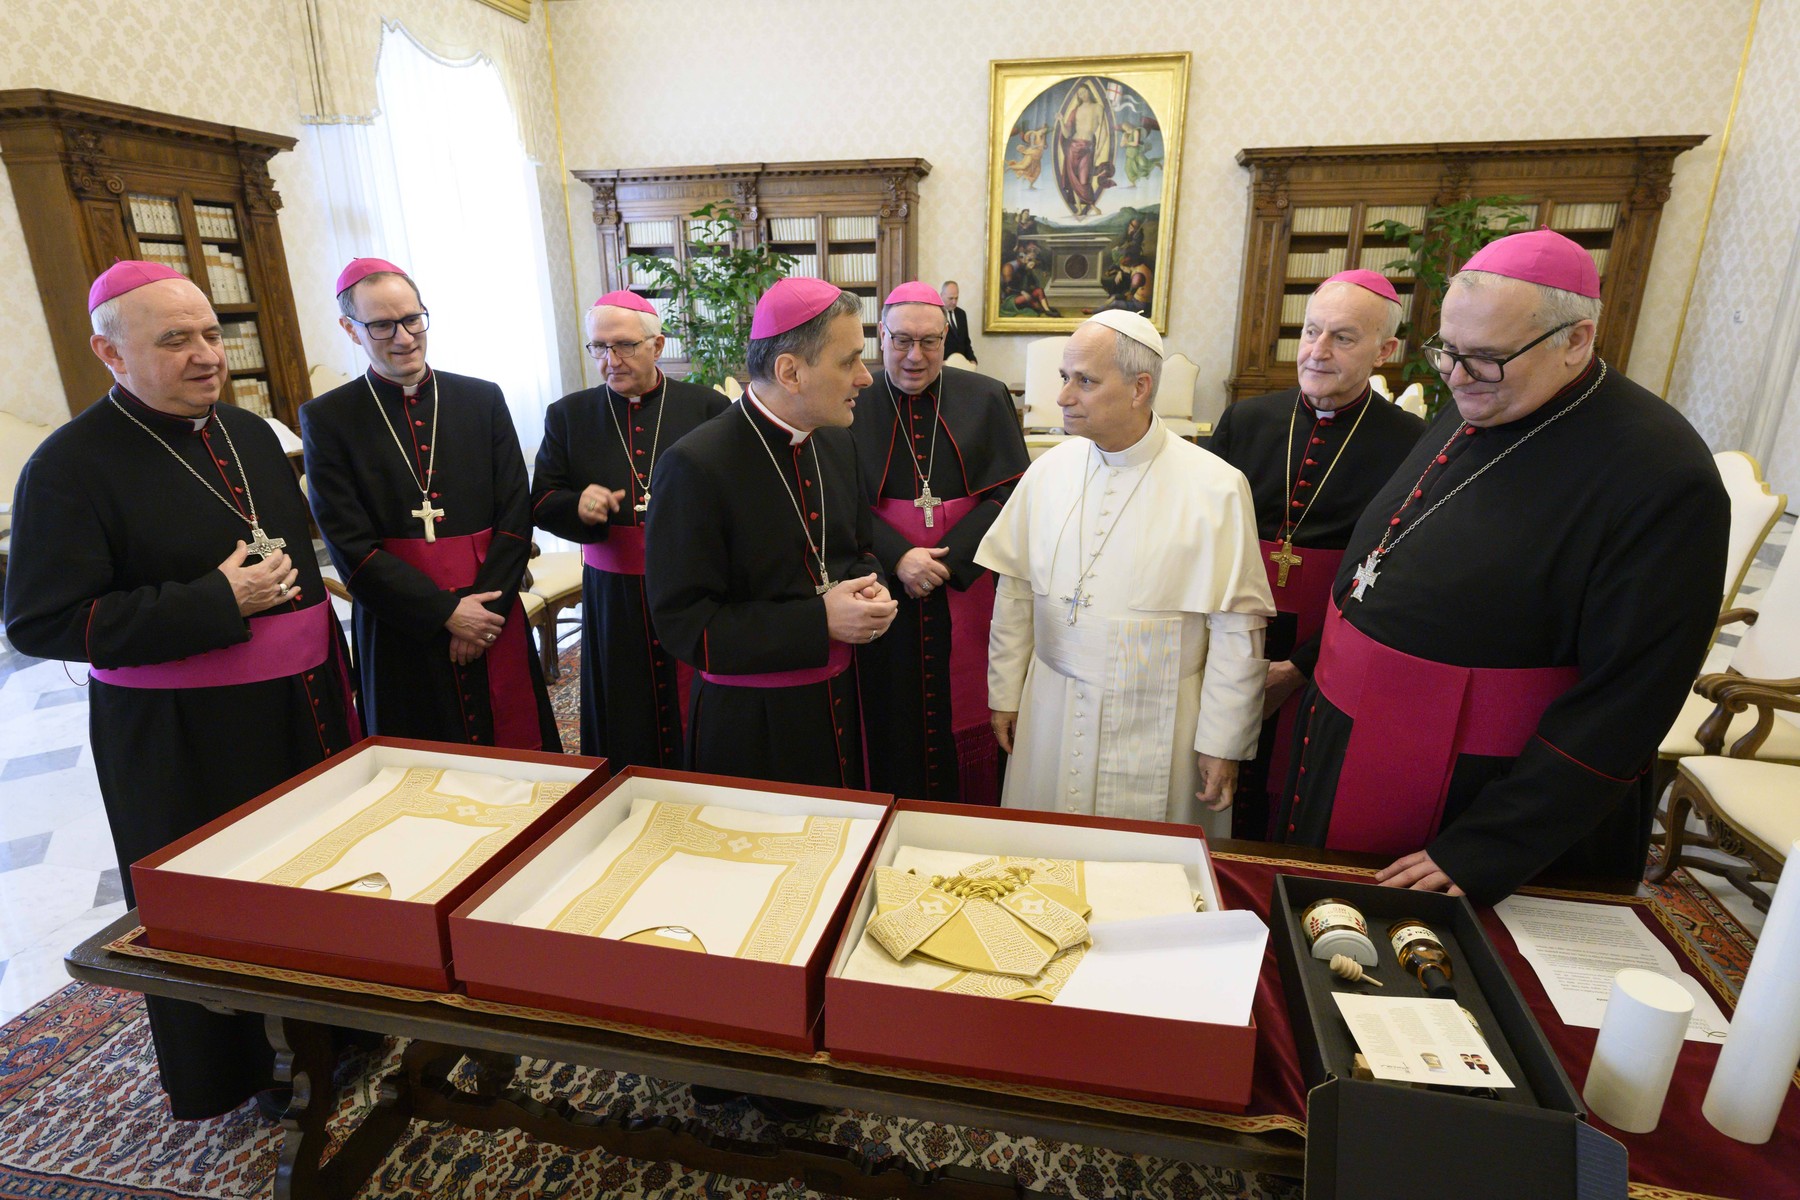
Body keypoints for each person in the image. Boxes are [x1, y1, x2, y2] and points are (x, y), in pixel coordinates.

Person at [1274, 229, 1729, 903]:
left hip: (1475, 795)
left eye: (1483, 359)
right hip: (1360, 743)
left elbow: (1630, 699)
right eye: (1447, 352)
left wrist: (1489, 847)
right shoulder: (1487, 397)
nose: (1456, 378)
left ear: (1575, 340)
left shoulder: (1661, 476)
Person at [4, 262, 360, 1120]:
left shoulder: (245, 432)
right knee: (224, 904)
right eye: (176, 340)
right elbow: (42, 623)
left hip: (301, 711)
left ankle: (345, 1028)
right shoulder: (69, 467)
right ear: (109, 352)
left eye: (210, 334)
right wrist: (215, 603)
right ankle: (243, 1070)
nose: (207, 355)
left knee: (320, 880)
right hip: (185, 739)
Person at [978, 310, 1274, 834]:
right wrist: (1004, 692)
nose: (1064, 397)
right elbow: (1016, 591)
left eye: (1084, 381)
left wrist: (1222, 743)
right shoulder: (1047, 470)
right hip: (1050, 705)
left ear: (1140, 388)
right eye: (1064, 378)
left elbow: (1236, 629)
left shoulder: (1217, 486)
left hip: (1165, 719)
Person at [646, 277, 896, 789]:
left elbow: (858, 551)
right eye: (848, 361)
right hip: (750, 725)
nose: (866, 378)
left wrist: (871, 588)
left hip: (840, 703)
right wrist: (820, 620)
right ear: (790, 371)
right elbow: (685, 625)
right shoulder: (695, 465)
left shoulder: (836, 443)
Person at [302, 258, 559, 751]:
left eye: (412, 319)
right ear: (350, 330)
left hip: (491, 612)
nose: (403, 337)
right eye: (381, 325)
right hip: (402, 623)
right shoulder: (328, 418)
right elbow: (349, 545)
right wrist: (444, 613)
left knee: (522, 756)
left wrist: (481, 614)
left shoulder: (480, 399)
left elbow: (514, 515)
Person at [1208, 269, 1425, 839]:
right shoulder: (1248, 419)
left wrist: (1300, 664)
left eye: (1343, 338)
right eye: (1310, 332)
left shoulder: (1411, 444)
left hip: (1333, 642)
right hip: (1234, 624)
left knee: (1297, 792)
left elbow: (1392, 570)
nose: (1317, 352)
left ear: (1386, 351)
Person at [852, 282, 1028, 804]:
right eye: (901, 340)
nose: (914, 356)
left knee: (964, 704)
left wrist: (948, 562)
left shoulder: (986, 396)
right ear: (879, 338)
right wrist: (899, 556)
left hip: (963, 581)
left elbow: (1013, 492)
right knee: (888, 707)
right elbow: (834, 496)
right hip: (881, 581)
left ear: (946, 337)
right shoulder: (851, 399)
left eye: (929, 341)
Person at [532, 291, 727, 763]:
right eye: (598, 347)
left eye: (623, 346)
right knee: (622, 698)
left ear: (657, 346)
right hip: (612, 591)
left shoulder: (706, 408)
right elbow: (541, 500)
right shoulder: (569, 415)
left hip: (690, 582)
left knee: (693, 688)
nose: (610, 360)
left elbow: (735, 494)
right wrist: (578, 504)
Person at [941, 280, 977, 362]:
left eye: (956, 298)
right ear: (942, 295)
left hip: (961, 365)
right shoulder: (937, 314)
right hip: (944, 366)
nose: (954, 302)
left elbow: (966, 341)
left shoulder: (961, 314)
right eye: (950, 298)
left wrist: (972, 359)